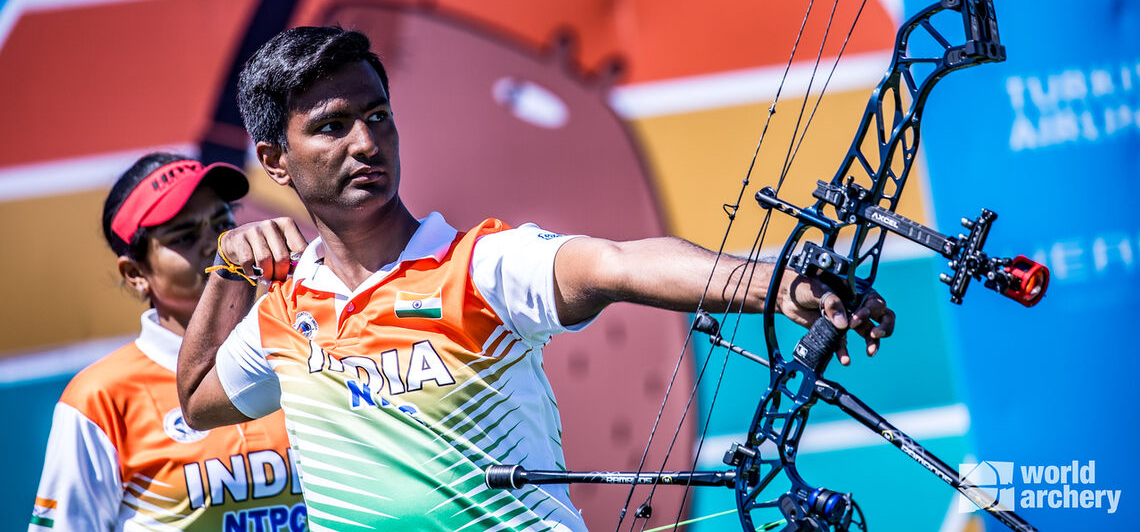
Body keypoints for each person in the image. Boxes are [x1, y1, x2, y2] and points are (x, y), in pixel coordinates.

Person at [177, 27, 894, 532]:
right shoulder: (283, 310)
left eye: (377, 116)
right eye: (332, 127)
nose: (367, 142)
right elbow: (200, 398)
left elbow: (618, 263)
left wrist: (775, 284)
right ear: (276, 160)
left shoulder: (479, 266)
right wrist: (229, 272)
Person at [30, 153, 307, 531]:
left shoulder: (300, 352)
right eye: (186, 236)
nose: (220, 244)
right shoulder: (100, 397)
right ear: (135, 274)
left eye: (224, 225)